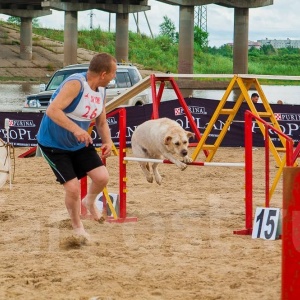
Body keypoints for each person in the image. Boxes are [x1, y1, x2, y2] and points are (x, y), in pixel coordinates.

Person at [36, 53, 117, 240]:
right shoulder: (76, 84)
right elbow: (52, 110)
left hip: (78, 143)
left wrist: (107, 141)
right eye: (114, 73)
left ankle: (89, 201)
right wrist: (76, 130)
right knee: (72, 187)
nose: (114, 77)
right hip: (53, 144)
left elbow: (101, 122)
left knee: (102, 177)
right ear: (103, 74)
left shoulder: (102, 91)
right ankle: (77, 226)